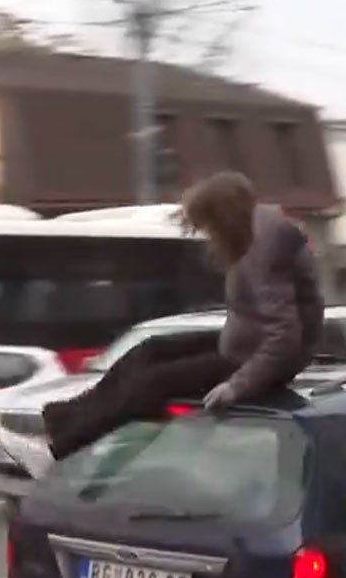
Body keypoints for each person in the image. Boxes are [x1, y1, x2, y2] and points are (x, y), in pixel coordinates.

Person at [41, 171, 324, 462]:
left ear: (224, 218)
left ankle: (68, 445)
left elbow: (285, 338)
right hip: (242, 345)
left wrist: (236, 385)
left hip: (254, 362)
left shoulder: (263, 251)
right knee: (148, 350)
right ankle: (66, 416)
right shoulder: (253, 233)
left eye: (210, 227)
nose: (211, 238)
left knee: (154, 382)